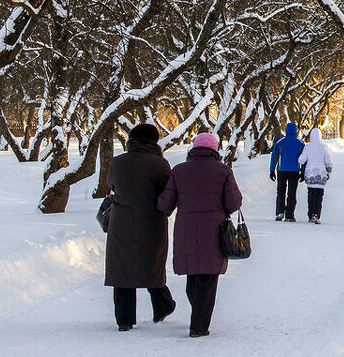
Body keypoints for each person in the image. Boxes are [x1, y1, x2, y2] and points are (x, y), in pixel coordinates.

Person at [157, 132, 243, 338]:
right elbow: (233, 203)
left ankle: (198, 314)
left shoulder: (179, 171)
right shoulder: (223, 171)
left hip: (186, 228)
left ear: (193, 149)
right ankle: (199, 326)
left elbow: (165, 203)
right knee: (208, 277)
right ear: (215, 150)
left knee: (194, 275)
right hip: (214, 230)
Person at [104, 123, 176, 331]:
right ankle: (162, 305)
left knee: (122, 268)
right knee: (151, 264)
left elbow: (112, 185)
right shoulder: (159, 164)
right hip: (151, 222)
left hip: (121, 222)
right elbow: (167, 193)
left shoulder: (117, 163)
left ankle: (124, 319)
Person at [269, 121, 304, 222]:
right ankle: (289, 215)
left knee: (281, 191)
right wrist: (303, 172)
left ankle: (280, 212)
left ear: (286, 130)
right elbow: (304, 159)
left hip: (282, 170)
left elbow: (274, 157)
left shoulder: (280, 142)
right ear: (296, 131)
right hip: (294, 171)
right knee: (292, 193)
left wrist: (272, 170)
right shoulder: (300, 143)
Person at [298, 127, 333, 224]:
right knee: (319, 196)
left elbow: (301, 160)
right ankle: (316, 215)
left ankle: (310, 214)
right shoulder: (324, 148)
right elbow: (329, 163)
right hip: (321, 176)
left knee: (311, 195)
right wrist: (328, 172)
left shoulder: (307, 147)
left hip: (310, 176)